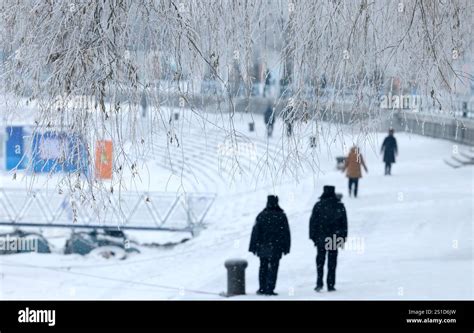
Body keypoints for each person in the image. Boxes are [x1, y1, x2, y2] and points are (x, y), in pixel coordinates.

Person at [249, 195, 291, 296]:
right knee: (274, 267)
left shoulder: (261, 215)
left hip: (263, 246)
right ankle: (270, 288)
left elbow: (255, 232)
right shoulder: (281, 216)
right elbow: (286, 233)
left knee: (263, 266)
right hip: (276, 247)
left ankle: (262, 288)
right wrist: (286, 247)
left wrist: (253, 247)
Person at [309, 185, 348, 292]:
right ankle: (330, 285)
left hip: (321, 238)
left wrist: (313, 237)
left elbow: (313, 223)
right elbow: (344, 224)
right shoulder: (339, 206)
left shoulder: (318, 206)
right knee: (332, 263)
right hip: (334, 238)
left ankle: (319, 283)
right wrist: (343, 238)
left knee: (320, 262)